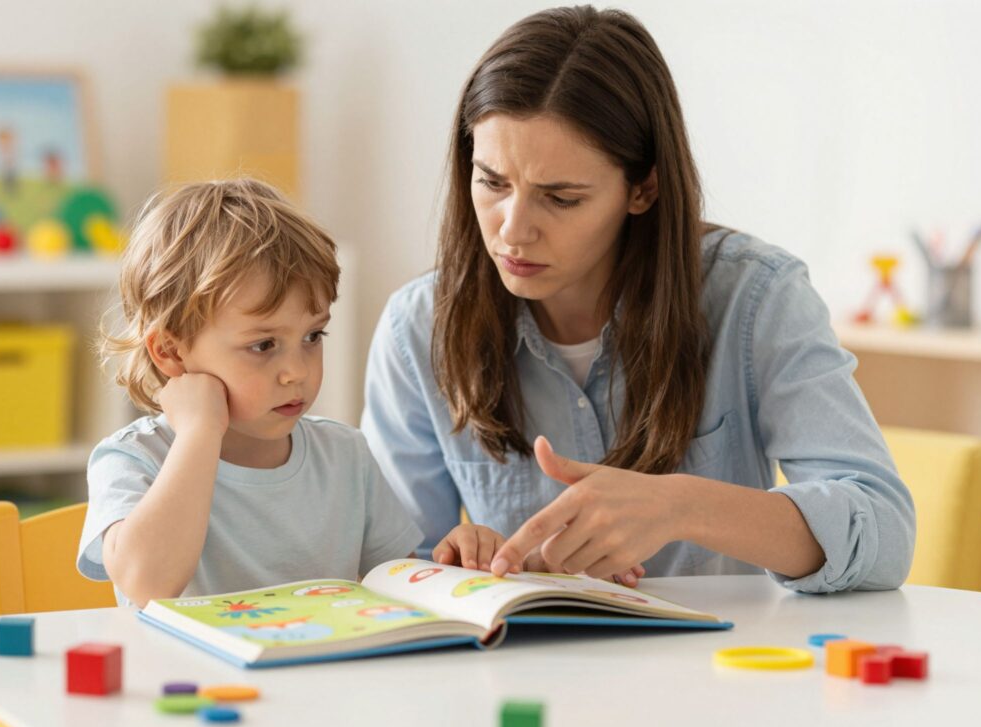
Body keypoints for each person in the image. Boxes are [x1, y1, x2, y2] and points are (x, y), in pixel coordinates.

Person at [362, 6, 915, 593]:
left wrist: (680, 506)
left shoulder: (754, 299)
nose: (513, 230)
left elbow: (883, 534)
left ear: (643, 188)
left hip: (728, 652)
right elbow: (386, 569)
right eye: (492, 182)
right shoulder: (417, 328)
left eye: (561, 198)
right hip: (520, 653)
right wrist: (460, 560)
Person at [77, 179, 426, 607]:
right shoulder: (133, 459)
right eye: (263, 345)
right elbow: (147, 584)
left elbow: (404, 589)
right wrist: (200, 433)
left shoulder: (346, 456)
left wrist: (453, 564)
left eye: (313, 336)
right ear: (170, 351)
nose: (297, 372)